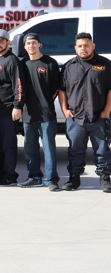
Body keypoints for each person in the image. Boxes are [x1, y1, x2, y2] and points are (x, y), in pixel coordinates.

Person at [59, 32, 111, 193]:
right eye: (80, 46)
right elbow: (62, 90)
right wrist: (65, 110)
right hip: (75, 118)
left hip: (99, 116)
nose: (83, 48)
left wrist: (107, 110)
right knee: (75, 150)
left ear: (93, 46)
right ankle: (74, 178)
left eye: (87, 45)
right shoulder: (69, 66)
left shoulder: (105, 64)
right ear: (75, 47)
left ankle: (104, 178)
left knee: (102, 150)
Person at [17, 33, 60, 191]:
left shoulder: (50, 63)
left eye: (34, 43)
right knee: (30, 148)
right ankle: (34, 177)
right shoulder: (23, 64)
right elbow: (19, 87)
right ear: (25, 47)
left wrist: (47, 102)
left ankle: (52, 179)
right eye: (28, 44)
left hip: (47, 114)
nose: (31, 46)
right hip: (28, 115)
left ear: (40, 44)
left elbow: (56, 88)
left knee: (49, 148)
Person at [0, 29, 26, 187]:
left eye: (2, 41)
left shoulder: (12, 60)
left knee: (8, 144)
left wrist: (17, 105)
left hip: (8, 111)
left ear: (8, 43)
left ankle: (9, 175)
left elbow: (19, 85)